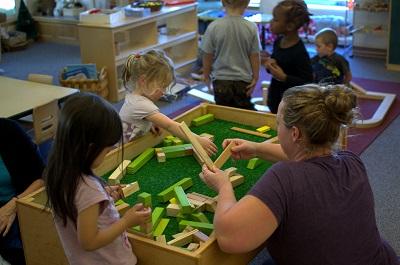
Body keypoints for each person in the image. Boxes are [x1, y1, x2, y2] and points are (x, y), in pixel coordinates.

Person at [201, 84, 399, 265]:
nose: (276, 128)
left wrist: (224, 186)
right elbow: (304, 158)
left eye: (278, 123)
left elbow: (229, 239)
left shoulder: (284, 177)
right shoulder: (352, 161)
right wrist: (257, 148)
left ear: (294, 133)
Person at [44, 93, 152, 265]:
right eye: (107, 150)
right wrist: (127, 221)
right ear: (90, 149)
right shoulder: (89, 189)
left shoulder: (60, 172)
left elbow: (79, 205)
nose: (108, 153)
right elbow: (89, 241)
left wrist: (106, 195)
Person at [119, 49, 217, 155]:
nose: (164, 92)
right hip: (120, 152)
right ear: (143, 81)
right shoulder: (142, 104)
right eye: (162, 86)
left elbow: (133, 120)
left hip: (126, 145)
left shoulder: (133, 96)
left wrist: (149, 123)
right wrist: (197, 140)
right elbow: (171, 126)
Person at [0, 118, 45, 265]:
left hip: (21, 199)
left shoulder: (9, 131)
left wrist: (13, 205)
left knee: (25, 248)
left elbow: (43, 177)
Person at [201, 0, 261, 110]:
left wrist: (206, 75)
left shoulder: (214, 26)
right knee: (242, 111)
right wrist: (256, 77)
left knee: (223, 111)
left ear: (223, 2)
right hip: (243, 80)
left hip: (220, 79)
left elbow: (207, 54)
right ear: (247, 4)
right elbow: (255, 55)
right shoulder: (251, 27)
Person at [261, 0, 313, 114]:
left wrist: (284, 77)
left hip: (291, 105)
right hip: (275, 98)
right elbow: (275, 67)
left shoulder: (300, 52)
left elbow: (308, 81)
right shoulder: (278, 41)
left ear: (289, 26)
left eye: (275, 19)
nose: (271, 22)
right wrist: (270, 63)